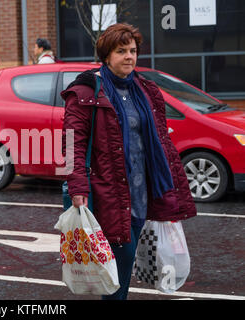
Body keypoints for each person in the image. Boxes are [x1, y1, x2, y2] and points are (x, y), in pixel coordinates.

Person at [61, 23, 196, 300]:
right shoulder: (86, 92)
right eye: (121, 51)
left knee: (125, 268)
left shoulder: (145, 90)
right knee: (117, 276)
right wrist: (77, 188)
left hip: (142, 196)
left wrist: (171, 186)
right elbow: (71, 143)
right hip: (107, 196)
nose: (129, 57)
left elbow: (159, 140)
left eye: (132, 51)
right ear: (106, 55)